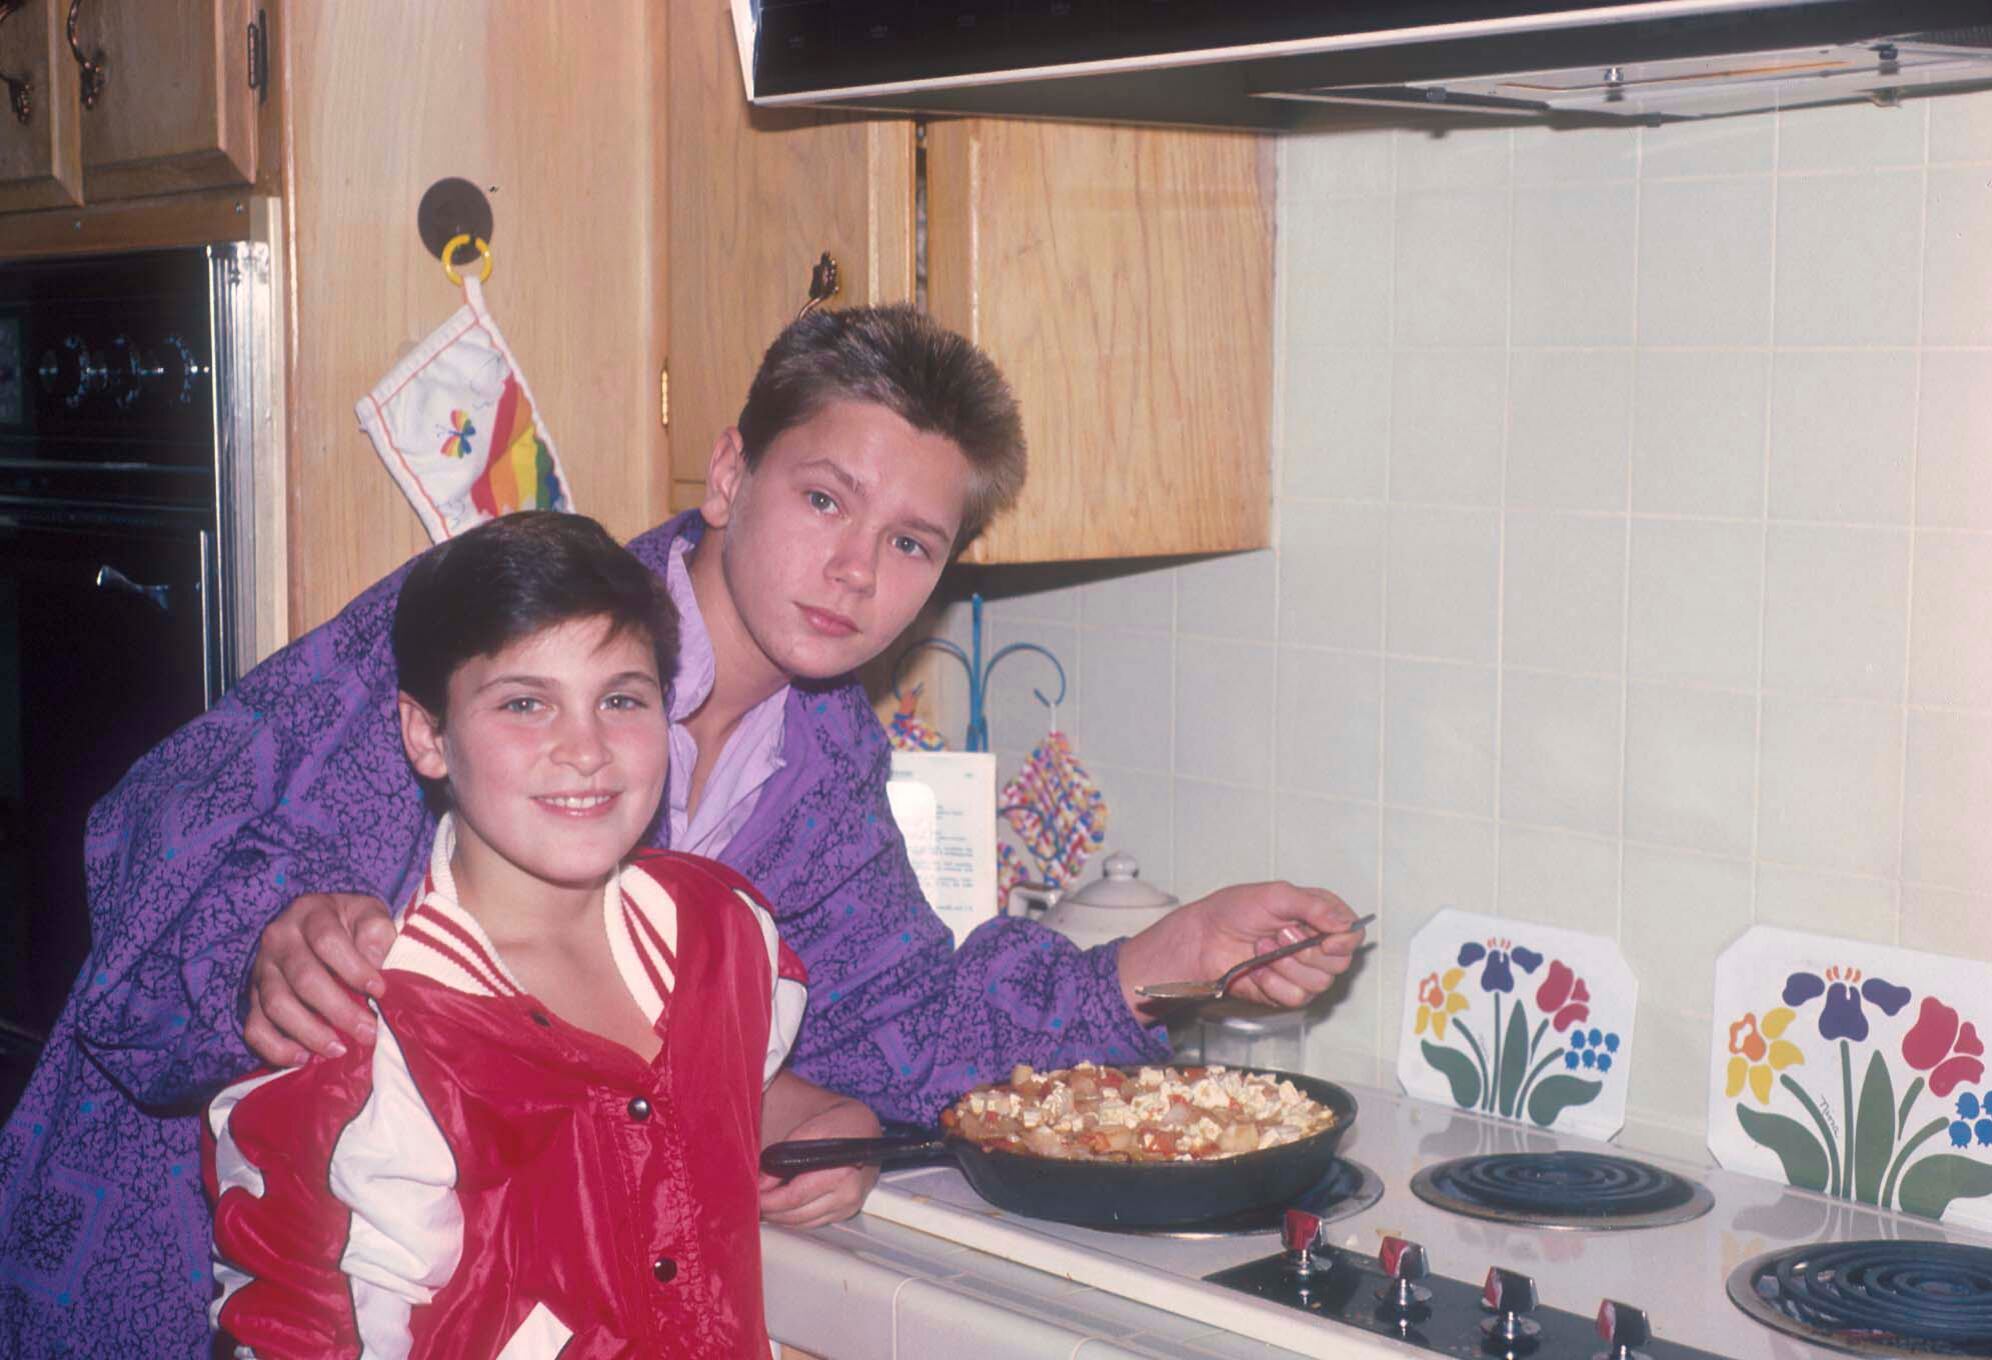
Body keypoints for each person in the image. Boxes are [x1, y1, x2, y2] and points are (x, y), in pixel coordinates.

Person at [0, 304, 1363, 1359]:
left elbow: (900, 1027)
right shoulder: (523, 617)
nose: (853, 572)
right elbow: (157, 847)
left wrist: (1163, 960)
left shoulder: (822, 767)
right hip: (181, 1269)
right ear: (730, 471)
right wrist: (265, 948)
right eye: (825, 498)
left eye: (912, 543)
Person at [204, 511, 867, 1358]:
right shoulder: (373, 1037)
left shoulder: (726, 932)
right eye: (525, 703)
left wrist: (835, 1127)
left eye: (621, 699)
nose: (585, 750)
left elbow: (727, 1090)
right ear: (428, 735)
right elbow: (303, 1326)